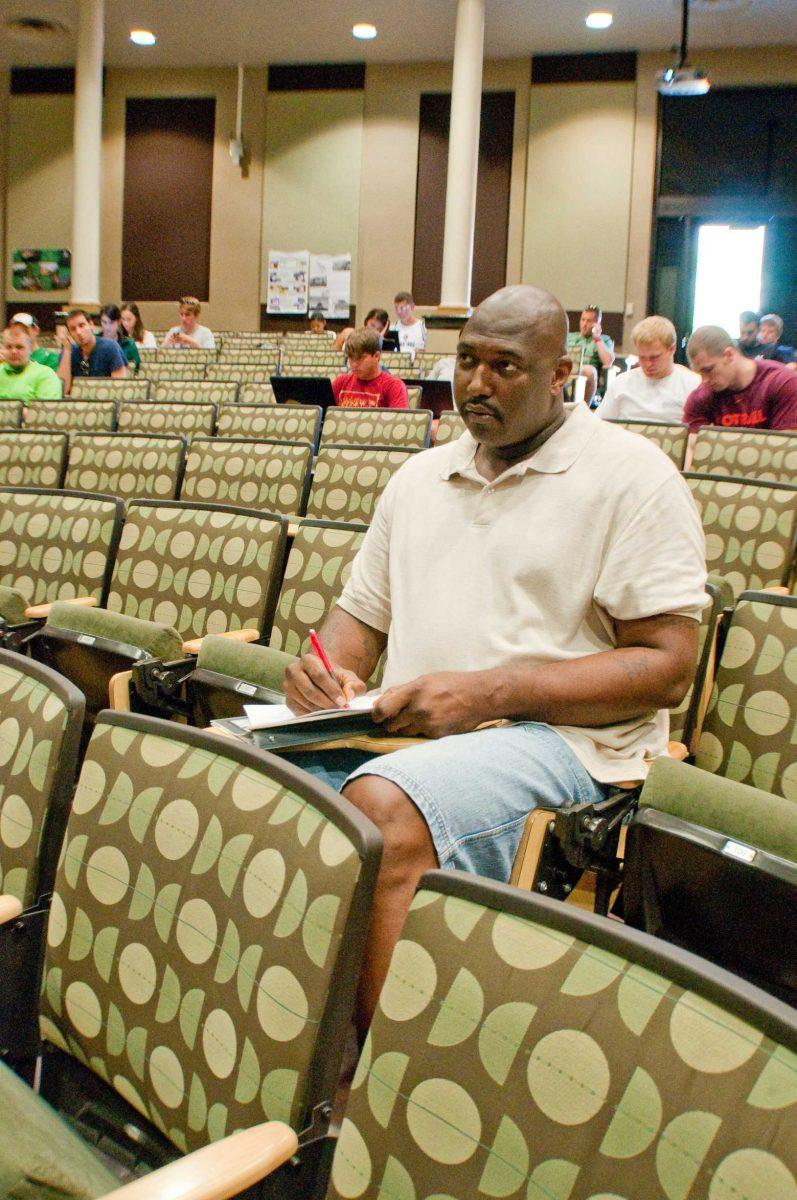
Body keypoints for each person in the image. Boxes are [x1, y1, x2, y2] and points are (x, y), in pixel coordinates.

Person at [284, 283, 706, 1031]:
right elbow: (357, 620)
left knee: (385, 809)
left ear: (560, 375)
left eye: (504, 367)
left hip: (571, 745)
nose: (476, 384)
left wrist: (489, 695)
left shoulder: (631, 478)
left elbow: (667, 666)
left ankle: (382, 1086)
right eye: (467, 360)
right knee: (248, 772)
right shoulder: (419, 477)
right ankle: (289, 1043)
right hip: (416, 729)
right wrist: (323, 669)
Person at [685, 325, 797, 431]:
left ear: (729, 355)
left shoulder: (783, 383)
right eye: (700, 373)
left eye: (709, 370)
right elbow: (692, 446)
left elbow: (785, 447)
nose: (704, 380)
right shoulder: (701, 396)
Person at [597, 315, 699, 423]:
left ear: (672, 349)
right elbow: (599, 424)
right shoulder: (621, 383)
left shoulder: (692, 384)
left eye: (654, 357)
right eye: (642, 357)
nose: (648, 364)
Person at [331, 328, 409, 409]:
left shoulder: (394, 386)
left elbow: (398, 420)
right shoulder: (340, 382)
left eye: (360, 358)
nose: (354, 364)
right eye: (351, 358)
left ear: (376, 356)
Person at [56, 309, 128, 396]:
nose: (78, 332)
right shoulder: (69, 352)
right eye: (73, 329)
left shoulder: (110, 347)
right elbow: (61, 390)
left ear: (91, 325)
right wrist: (67, 350)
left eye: (81, 325)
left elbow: (120, 388)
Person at [566, 304, 615, 404]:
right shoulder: (570, 337)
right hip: (566, 373)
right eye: (583, 320)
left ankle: (583, 410)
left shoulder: (604, 340)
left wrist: (597, 338)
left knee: (588, 370)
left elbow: (608, 361)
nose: (584, 324)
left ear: (597, 324)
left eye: (589, 321)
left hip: (585, 378)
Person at [0, 321, 61, 400]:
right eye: (9, 347)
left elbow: (45, 411)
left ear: (30, 349)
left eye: (19, 347)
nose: (13, 351)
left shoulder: (46, 375)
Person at [100, 304, 140, 373]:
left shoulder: (129, 344)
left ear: (118, 322)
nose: (107, 327)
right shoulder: (94, 342)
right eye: (104, 322)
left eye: (111, 323)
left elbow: (136, 370)